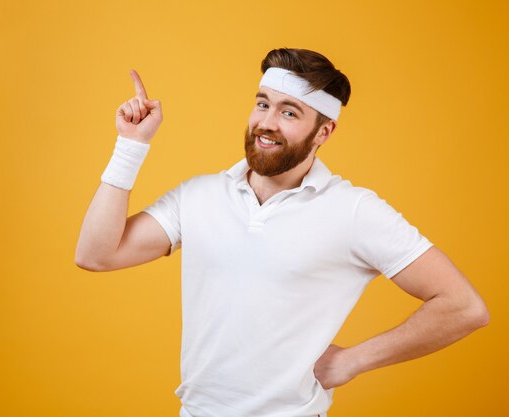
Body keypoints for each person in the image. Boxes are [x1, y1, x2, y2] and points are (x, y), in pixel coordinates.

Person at [75, 48, 490, 417]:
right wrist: (131, 146)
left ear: (323, 132)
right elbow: (96, 255)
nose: (266, 123)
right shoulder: (199, 196)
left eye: (289, 112)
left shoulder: (354, 211)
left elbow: (462, 306)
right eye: (262, 104)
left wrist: (353, 361)